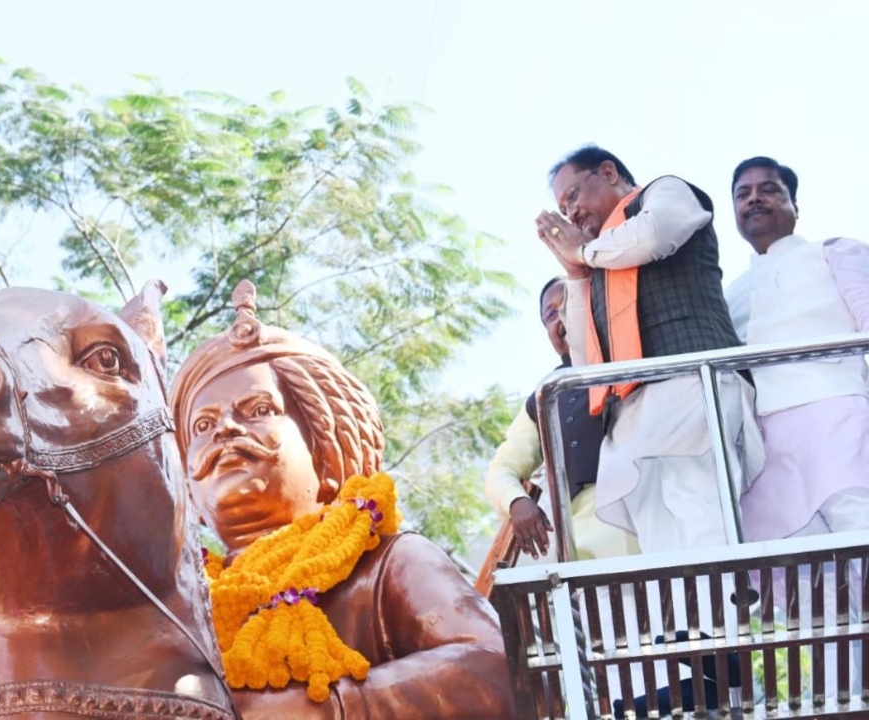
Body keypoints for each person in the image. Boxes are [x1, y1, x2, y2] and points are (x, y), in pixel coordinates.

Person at [169, 280, 515, 719]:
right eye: (201, 426)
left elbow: (494, 666)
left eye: (257, 410)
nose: (224, 431)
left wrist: (321, 708)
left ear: (326, 446)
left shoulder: (387, 561)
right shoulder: (179, 609)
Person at [535, 145, 763, 554]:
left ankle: (723, 613)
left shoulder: (665, 192)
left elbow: (655, 234)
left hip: (693, 381)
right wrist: (575, 273)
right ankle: (688, 619)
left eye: (572, 197)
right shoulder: (597, 260)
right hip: (629, 414)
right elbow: (585, 364)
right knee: (658, 536)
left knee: (699, 504)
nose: (570, 213)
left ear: (607, 172)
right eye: (561, 207)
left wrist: (582, 253)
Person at [725, 156, 869, 701]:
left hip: (840, 413)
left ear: (793, 203)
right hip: (770, 445)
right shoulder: (730, 293)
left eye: (769, 189)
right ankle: (837, 703)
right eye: (744, 193)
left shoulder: (834, 253)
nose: (755, 199)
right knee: (817, 591)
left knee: (862, 554)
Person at [484, 276, 640, 560]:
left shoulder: (635, 358)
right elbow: (500, 470)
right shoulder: (546, 396)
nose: (563, 318)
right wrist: (517, 501)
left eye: (571, 304)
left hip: (651, 527)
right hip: (586, 549)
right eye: (551, 313)